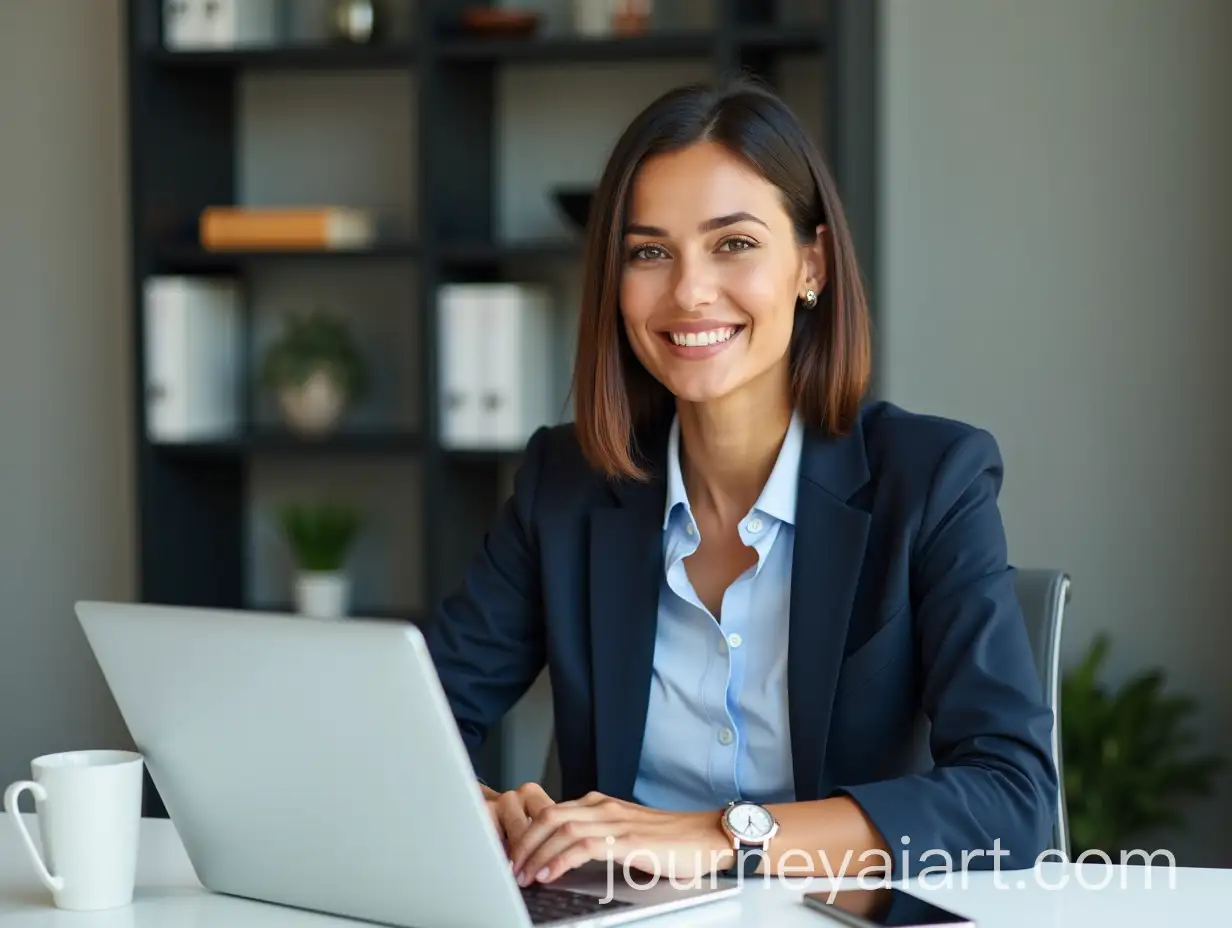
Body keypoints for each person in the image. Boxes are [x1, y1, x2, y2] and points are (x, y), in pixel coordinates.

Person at [423, 78, 1058, 889]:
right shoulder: (566, 485)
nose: (689, 291)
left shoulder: (930, 480)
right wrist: (475, 805)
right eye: (649, 252)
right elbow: (419, 720)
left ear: (812, 264)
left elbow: (1013, 798)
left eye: (734, 244)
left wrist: (725, 838)